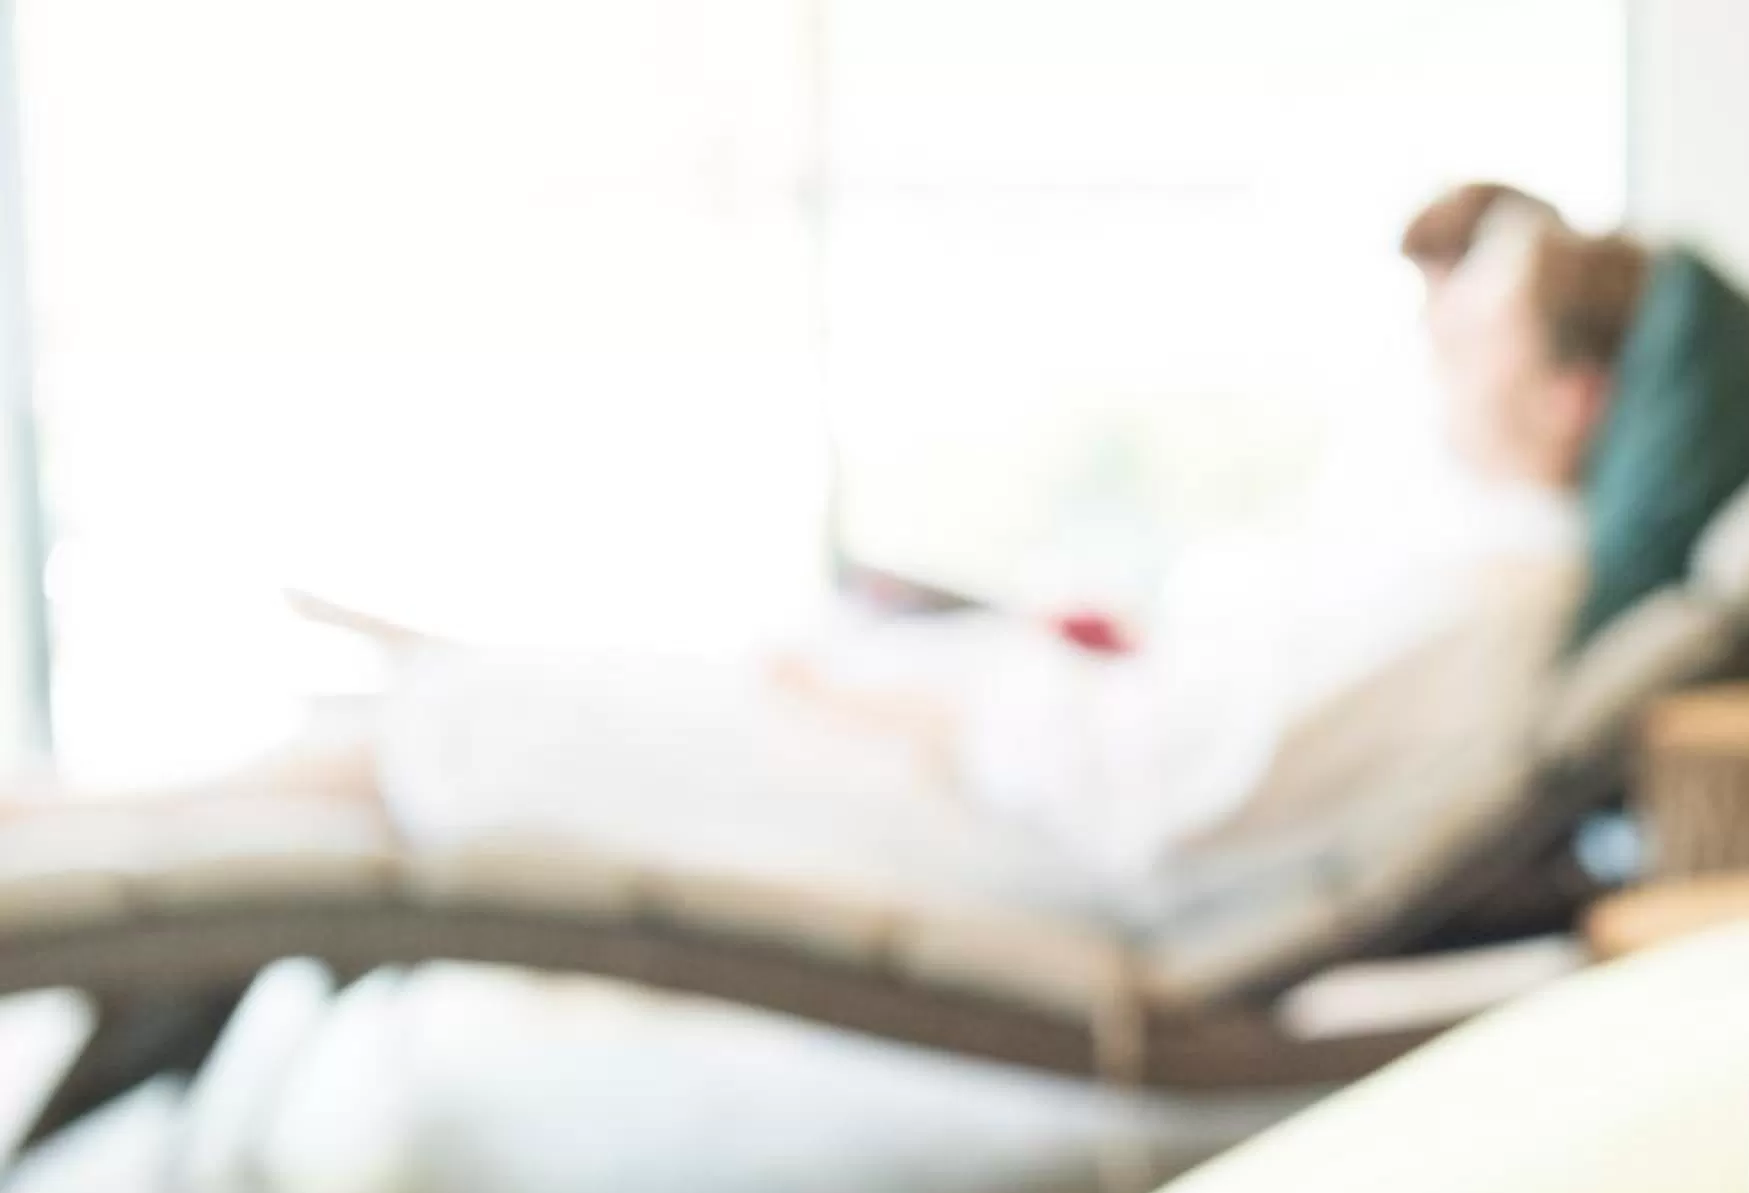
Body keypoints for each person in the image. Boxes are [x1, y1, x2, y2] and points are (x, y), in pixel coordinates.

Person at [60, 195, 1656, 935]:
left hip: (1023, 846)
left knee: (500, 722)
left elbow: (1172, 795)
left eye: (1476, 327)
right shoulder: (1464, 555)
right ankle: (97, 815)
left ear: (1572, 394)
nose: (1435, 345)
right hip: (1006, 774)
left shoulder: (1488, 586)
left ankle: (88, 817)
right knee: (560, 698)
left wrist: (935, 714)